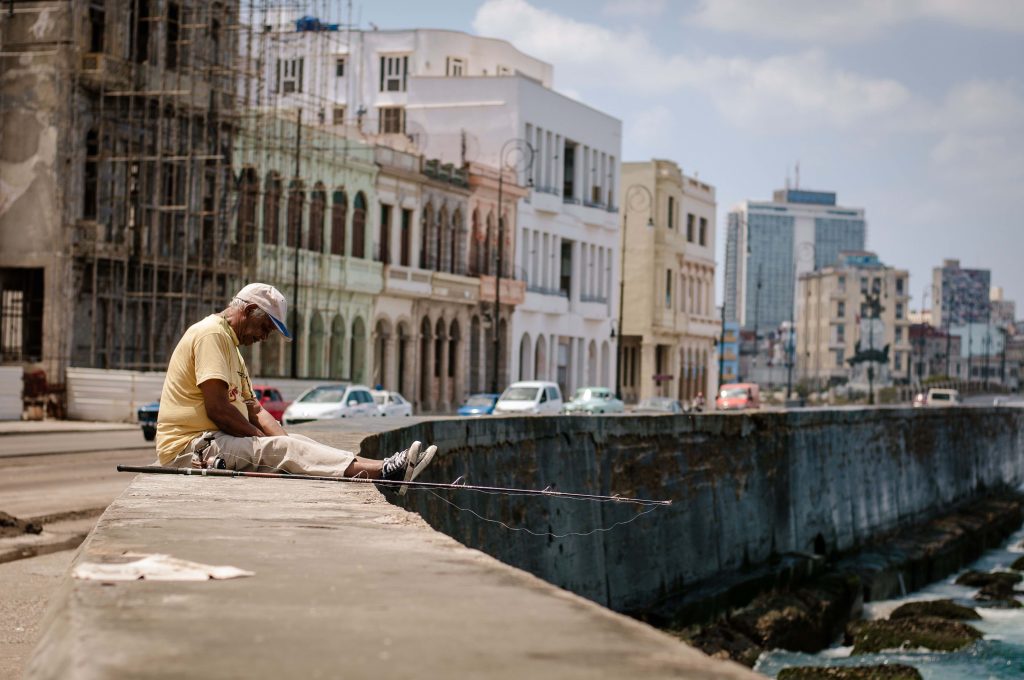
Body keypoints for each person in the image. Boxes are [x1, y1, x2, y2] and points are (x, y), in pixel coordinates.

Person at [156, 283, 435, 485]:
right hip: (190, 448)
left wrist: (281, 441)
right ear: (250, 309)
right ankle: (385, 472)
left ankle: (385, 468)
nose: (266, 337)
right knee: (285, 449)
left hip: (215, 441)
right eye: (266, 327)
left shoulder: (231, 346)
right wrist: (267, 442)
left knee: (295, 443)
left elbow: (254, 409)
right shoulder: (211, 335)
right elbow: (218, 409)